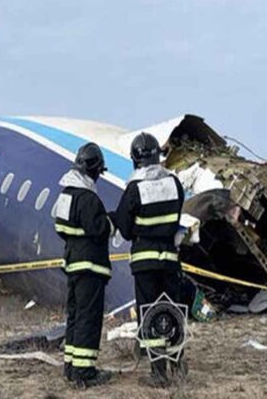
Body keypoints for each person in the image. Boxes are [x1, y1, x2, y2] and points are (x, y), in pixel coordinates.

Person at [110, 132, 186, 387]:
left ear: (134, 159)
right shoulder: (174, 184)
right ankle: (179, 363)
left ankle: (159, 372)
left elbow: (125, 227)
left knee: (150, 313)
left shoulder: (134, 188)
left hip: (145, 262)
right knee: (172, 310)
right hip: (170, 259)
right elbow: (176, 220)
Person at [54, 142, 113, 388]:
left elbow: (60, 228)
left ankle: (70, 366)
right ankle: (84, 372)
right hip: (90, 267)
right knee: (89, 318)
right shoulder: (88, 198)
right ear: (95, 170)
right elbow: (99, 229)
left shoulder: (66, 195)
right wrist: (110, 221)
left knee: (76, 316)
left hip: (73, 264)